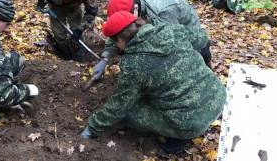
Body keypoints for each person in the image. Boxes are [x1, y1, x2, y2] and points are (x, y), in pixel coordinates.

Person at [81, 11, 226, 153]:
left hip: (191, 122)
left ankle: (177, 141)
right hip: (218, 95)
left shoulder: (134, 65)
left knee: (130, 112)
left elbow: (118, 107)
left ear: (119, 41)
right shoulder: (170, 29)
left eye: (115, 43)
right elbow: (201, 37)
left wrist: (92, 129)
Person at [92, 0, 212, 78]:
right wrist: (105, 58)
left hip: (188, 29)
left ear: (135, 9)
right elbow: (117, 32)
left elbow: (172, 44)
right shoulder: (130, 4)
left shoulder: (163, 12)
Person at [31, 0, 98, 60]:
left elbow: (91, 13)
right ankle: (65, 54)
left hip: (74, 6)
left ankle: (78, 54)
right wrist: (40, 0)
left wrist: (80, 29)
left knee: (76, 30)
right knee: (59, 34)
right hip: (56, 5)